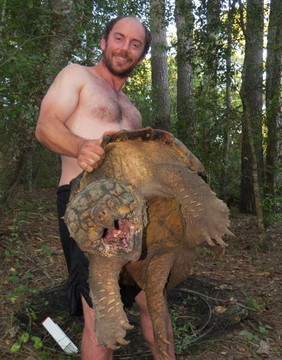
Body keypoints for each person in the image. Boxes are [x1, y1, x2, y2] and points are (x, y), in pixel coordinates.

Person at [35, 15, 175, 360]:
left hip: (131, 216)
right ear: (104, 41)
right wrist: (79, 146)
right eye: (119, 38)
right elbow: (46, 125)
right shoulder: (77, 76)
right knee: (102, 313)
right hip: (85, 205)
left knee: (153, 302)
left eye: (135, 44)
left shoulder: (133, 113)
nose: (125, 48)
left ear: (141, 55)